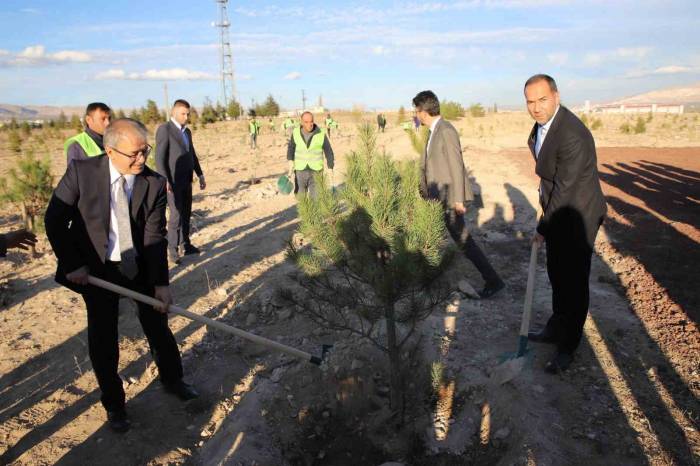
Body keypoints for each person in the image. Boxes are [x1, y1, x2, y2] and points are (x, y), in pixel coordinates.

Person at [45, 118, 198, 433]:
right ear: (110, 150)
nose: (142, 160)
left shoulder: (153, 183)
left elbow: (154, 238)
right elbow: (55, 220)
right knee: (103, 340)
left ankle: (173, 380)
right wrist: (73, 264)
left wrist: (160, 284)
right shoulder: (82, 173)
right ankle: (114, 405)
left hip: (138, 266)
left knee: (158, 328)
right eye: (134, 154)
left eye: (145, 151)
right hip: (97, 269)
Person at [523, 74, 606, 374]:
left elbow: (565, 188)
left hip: (578, 215)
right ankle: (556, 328)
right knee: (557, 274)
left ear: (556, 96)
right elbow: (549, 178)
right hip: (559, 209)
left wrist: (542, 228)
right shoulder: (542, 127)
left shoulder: (571, 133)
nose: (536, 107)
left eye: (542, 99)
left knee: (573, 281)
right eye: (530, 101)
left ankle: (568, 345)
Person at [413, 90, 505, 299]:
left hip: (447, 199)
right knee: (433, 237)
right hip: (435, 198)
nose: (415, 115)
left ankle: (493, 280)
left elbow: (456, 166)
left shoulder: (446, 130)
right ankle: (428, 280)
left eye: (416, 110)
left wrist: (458, 199)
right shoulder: (433, 131)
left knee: (464, 241)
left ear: (423, 110)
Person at [155, 99, 206, 265]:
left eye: (188, 114)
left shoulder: (187, 132)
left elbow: (192, 155)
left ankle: (186, 244)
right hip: (173, 182)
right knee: (175, 215)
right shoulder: (165, 130)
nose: (186, 116)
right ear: (174, 113)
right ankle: (173, 250)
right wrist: (165, 180)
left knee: (186, 213)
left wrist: (200, 174)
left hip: (187, 181)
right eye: (183, 113)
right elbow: (160, 158)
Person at [287, 111, 334, 198]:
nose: (310, 124)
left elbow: (328, 151)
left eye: (311, 121)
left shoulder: (321, 133)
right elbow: (291, 148)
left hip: (316, 172)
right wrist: (290, 160)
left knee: (315, 199)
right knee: (301, 200)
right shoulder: (296, 133)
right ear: (301, 122)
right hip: (300, 172)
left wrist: (330, 167)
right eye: (306, 122)